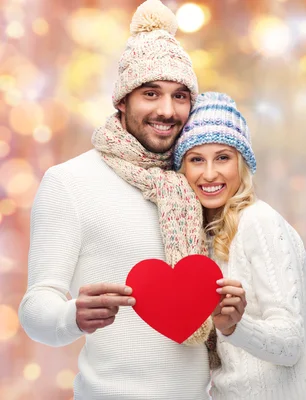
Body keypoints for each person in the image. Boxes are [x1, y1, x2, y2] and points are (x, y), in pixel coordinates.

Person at [18, 1, 244, 399]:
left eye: (180, 96)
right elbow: (36, 309)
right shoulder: (69, 182)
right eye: (151, 93)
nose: (166, 110)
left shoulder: (194, 182)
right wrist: (72, 316)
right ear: (122, 101)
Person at [173, 91, 306, 399]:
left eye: (222, 157)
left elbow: (290, 343)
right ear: (183, 169)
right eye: (196, 159)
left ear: (241, 163)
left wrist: (234, 328)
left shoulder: (258, 222)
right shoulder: (200, 237)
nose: (209, 173)